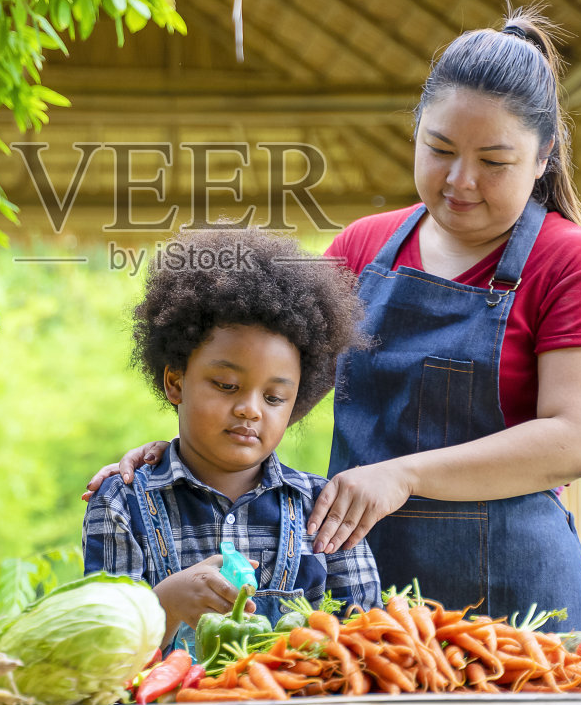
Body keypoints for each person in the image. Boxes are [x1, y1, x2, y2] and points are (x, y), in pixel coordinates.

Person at [87, 6, 581, 631]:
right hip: (361, 613)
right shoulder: (360, 249)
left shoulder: (574, 264)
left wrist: (403, 477)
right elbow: (264, 383)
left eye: (494, 161)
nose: (460, 179)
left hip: (522, 615)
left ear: (542, 159)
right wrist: (186, 448)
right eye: (439, 149)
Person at [82, 227, 381, 652]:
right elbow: (98, 654)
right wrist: (163, 606)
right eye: (225, 385)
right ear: (175, 381)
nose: (250, 409)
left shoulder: (325, 511)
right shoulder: (121, 503)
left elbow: (370, 645)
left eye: (275, 397)